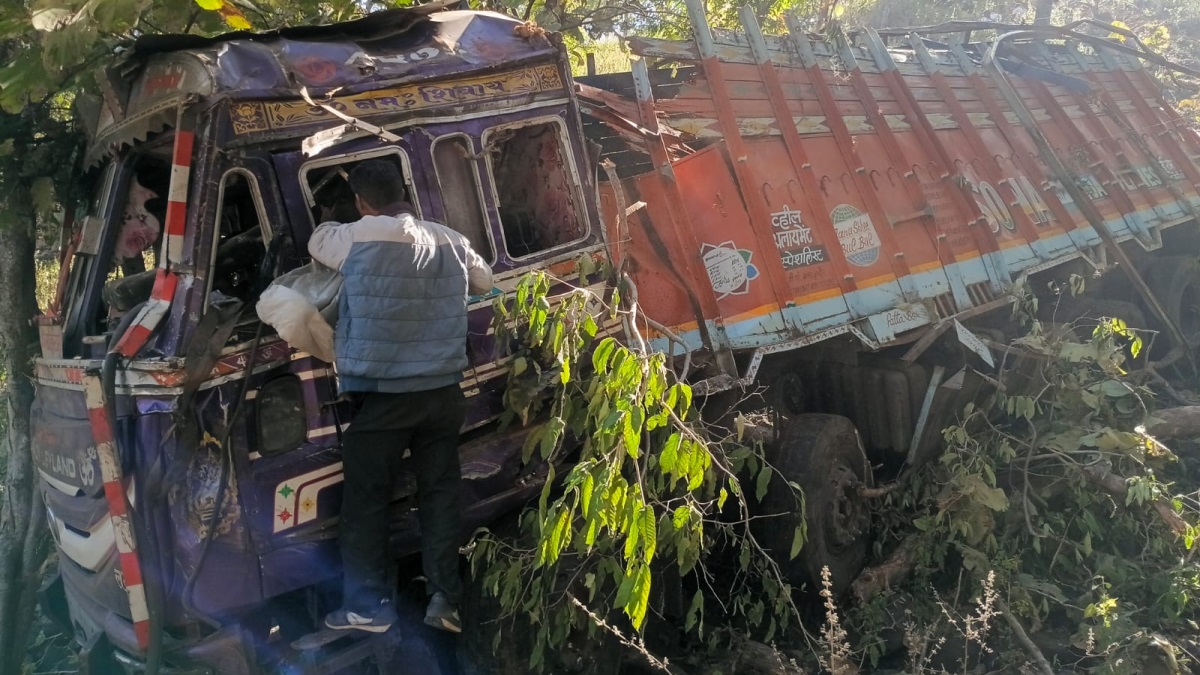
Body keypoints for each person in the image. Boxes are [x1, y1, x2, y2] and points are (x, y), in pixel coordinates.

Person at [308, 160, 493, 635]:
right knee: (439, 496)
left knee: (366, 503)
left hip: (385, 398)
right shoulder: (450, 239)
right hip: (443, 395)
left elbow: (317, 240)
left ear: (361, 203)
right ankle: (444, 601)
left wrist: (342, 217)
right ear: (407, 193)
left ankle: (367, 608)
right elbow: (485, 282)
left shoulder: (353, 237)